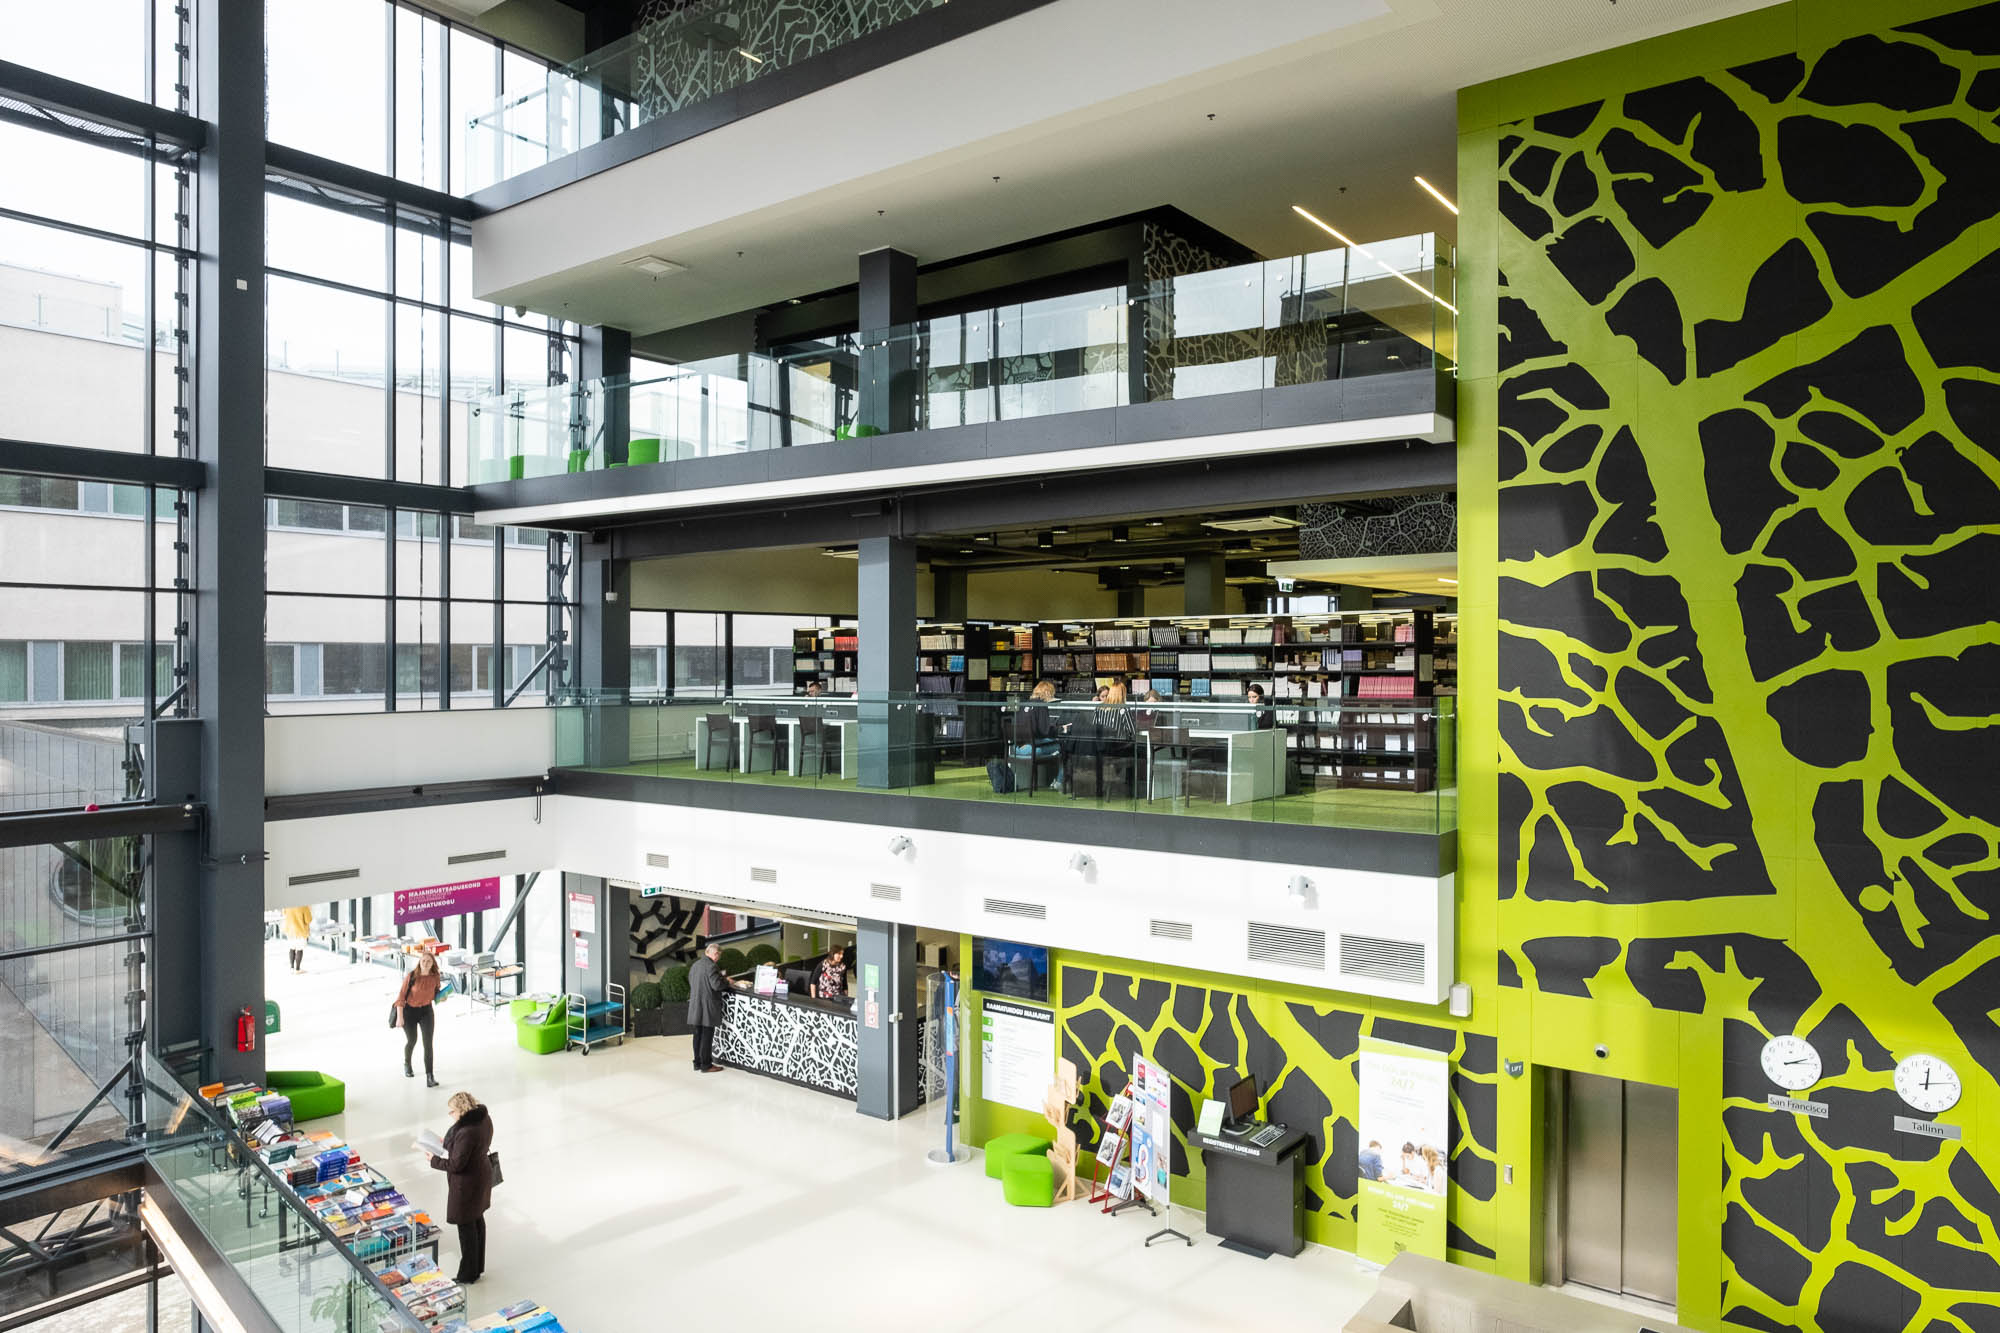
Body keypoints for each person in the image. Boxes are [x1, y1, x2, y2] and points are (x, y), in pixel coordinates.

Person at [428, 1091, 493, 1286]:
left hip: (467, 1184)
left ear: (462, 1110)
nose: (451, 1115)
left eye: (452, 1111)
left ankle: (467, 1275)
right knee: (477, 1220)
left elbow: (457, 1165)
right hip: (481, 1176)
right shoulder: (484, 1119)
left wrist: (433, 1160)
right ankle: (477, 1267)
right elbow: (469, 1150)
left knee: (466, 1228)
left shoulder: (465, 1132)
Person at [394, 950, 444, 1087]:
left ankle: (430, 1076)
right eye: (423, 961)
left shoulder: (435, 977)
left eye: (429, 961)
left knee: (428, 1043)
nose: (426, 963)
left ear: (433, 963)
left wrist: (442, 997)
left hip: (426, 1011)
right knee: (412, 1040)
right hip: (409, 1012)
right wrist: (399, 1017)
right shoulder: (411, 976)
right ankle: (407, 1063)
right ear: (419, 962)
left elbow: (436, 994)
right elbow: (401, 997)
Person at [1010, 680, 1065, 792]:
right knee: (1063, 746)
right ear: (1048, 693)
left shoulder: (1023, 704)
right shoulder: (1041, 705)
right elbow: (1044, 731)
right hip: (1031, 749)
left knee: (1044, 745)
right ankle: (1059, 781)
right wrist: (1059, 729)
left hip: (1017, 749)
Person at [687, 942, 733, 1073]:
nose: (718, 959)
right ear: (715, 953)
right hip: (707, 1006)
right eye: (719, 956)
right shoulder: (712, 966)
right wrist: (726, 981)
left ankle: (697, 1063)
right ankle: (706, 1065)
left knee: (697, 1035)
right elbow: (717, 985)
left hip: (696, 1005)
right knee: (707, 1036)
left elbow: (691, 981)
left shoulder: (695, 965)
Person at [282, 904, 312, 973]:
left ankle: (292, 968)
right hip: (300, 931)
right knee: (299, 949)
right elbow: (308, 920)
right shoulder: (304, 906)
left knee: (292, 948)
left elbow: (284, 913)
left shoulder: (288, 905)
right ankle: (297, 969)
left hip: (290, 930)